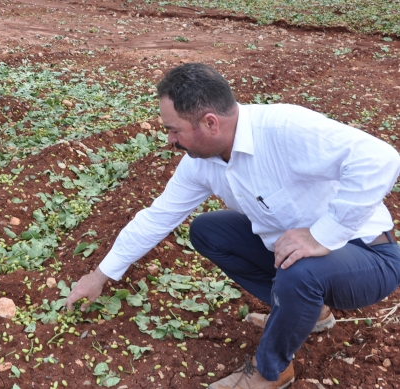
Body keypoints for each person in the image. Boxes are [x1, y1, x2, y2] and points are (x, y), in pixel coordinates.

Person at [64, 63, 400, 388]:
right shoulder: (201, 163)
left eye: (174, 130)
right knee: (209, 231)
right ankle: (306, 314)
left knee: (301, 272)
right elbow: (157, 217)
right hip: (306, 257)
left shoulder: (283, 128)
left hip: (368, 255)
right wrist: (100, 276)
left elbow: (381, 160)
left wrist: (321, 235)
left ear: (210, 123)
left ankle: (271, 371)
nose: (169, 140)